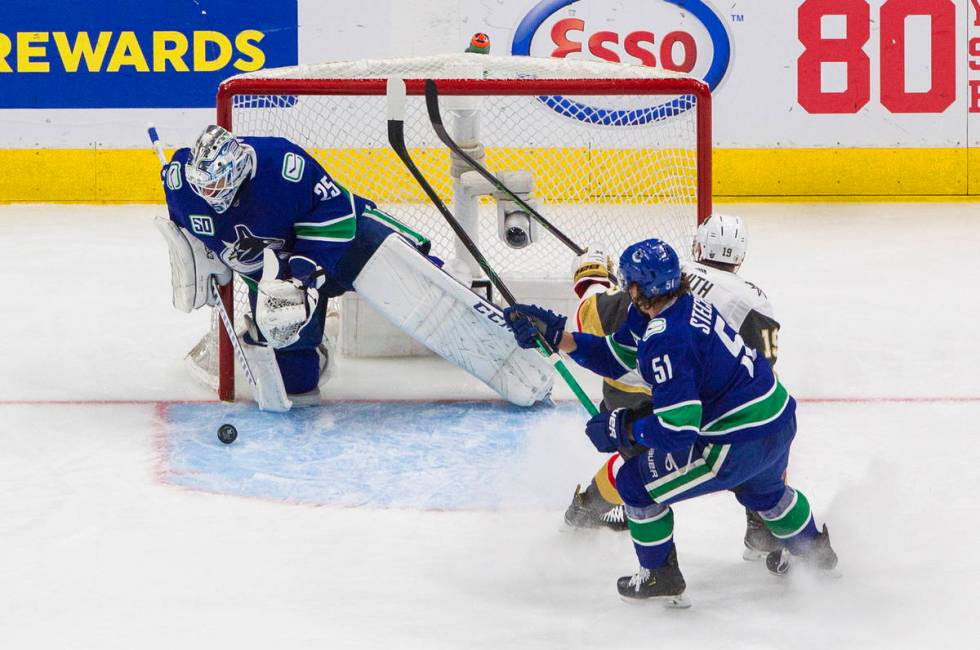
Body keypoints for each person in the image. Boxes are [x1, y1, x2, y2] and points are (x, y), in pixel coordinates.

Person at [504, 239, 837, 605]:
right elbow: (616, 356)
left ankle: (659, 575)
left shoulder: (669, 340)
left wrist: (624, 428)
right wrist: (558, 337)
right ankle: (817, 554)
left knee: (634, 482)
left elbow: (678, 434)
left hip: (735, 444)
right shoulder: (680, 305)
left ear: (635, 287)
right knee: (766, 493)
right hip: (777, 421)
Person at [157, 125, 553, 410]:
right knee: (298, 385)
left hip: (344, 244)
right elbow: (185, 226)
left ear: (240, 172)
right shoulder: (179, 182)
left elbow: (337, 215)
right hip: (272, 275)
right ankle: (312, 341)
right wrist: (198, 254)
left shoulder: (283, 164)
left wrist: (303, 274)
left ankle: (513, 349)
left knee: (423, 282)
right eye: (202, 188)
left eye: (216, 188)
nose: (209, 197)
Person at [565, 215, 782, 560]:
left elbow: (590, 318)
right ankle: (762, 528)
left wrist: (590, 276)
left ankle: (586, 510)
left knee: (637, 458)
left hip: (627, 390)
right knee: (758, 440)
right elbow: (762, 374)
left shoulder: (664, 276)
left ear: (697, 246)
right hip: (694, 399)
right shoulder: (752, 301)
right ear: (740, 259)